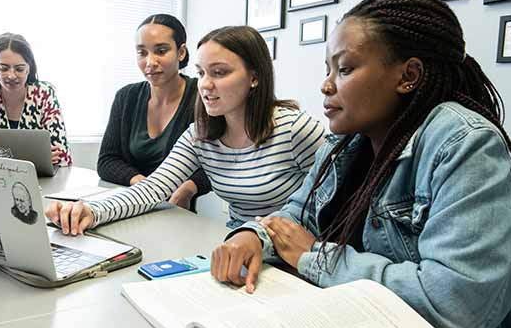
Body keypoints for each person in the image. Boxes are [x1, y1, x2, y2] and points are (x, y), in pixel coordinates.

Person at [210, 0, 511, 328]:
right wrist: (251, 236)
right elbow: (294, 218)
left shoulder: (464, 144)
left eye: (344, 69)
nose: (325, 85)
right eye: (327, 69)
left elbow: (456, 306)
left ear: (409, 76)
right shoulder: (345, 144)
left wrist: (317, 259)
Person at [46, 25, 326, 236]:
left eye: (219, 72)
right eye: (202, 72)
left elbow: (341, 199)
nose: (204, 84)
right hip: (237, 242)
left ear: (254, 77)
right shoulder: (200, 135)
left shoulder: (294, 129)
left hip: (293, 252)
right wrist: (90, 211)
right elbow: (151, 189)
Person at [97, 14, 211, 210]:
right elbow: (107, 161)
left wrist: (188, 188)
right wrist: (143, 185)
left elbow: (216, 163)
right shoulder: (126, 97)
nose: (150, 61)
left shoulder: (202, 98)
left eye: (161, 50)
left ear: (181, 52)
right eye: (142, 53)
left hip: (177, 211)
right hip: (129, 206)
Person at [0, 32, 72, 166]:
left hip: (39, 182)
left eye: (19, 69)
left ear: (29, 68)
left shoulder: (44, 94)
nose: (11, 76)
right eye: (4, 68)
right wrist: (32, 159)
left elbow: (61, 155)